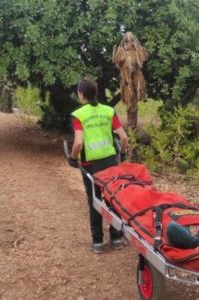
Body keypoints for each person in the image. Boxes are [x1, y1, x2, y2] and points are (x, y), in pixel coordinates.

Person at [69, 78, 129, 254]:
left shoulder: (79, 115)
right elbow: (124, 137)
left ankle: (97, 242)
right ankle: (116, 238)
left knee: (94, 201)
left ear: (81, 93)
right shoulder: (109, 111)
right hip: (111, 162)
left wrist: (72, 158)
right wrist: (123, 153)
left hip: (90, 165)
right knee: (113, 198)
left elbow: (78, 142)